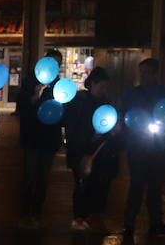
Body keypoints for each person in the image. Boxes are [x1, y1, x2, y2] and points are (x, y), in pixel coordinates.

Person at [121, 58, 165, 238]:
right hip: (138, 146)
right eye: (141, 72)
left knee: (155, 187)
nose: (143, 76)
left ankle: (154, 222)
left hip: (156, 146)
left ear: (155, 73)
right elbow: (124, 115)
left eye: (146, 72)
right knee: (137, 185)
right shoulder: (133, 93)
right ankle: (130, 223)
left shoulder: (164, 94)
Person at [17, 49, 63, 228]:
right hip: (32, 137)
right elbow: (21, 108)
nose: (54, 67)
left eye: (58, 64)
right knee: (30, 175)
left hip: (50, 138)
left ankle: (36, 213)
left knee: (43, 178)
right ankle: (24, 213)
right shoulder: (31, 82)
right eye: (52, 62)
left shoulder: (59, 85)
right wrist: (35, 97)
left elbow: (63, 113)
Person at [63, 67, 110, 230]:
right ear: (92, 84)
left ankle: (90, 215)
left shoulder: (105, 102)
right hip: (82, 151)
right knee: (82, 183)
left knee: (97, 184)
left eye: (106, 87)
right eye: (101, 86)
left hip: (99, 151)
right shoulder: (80, 102)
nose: (103, 90)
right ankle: (79, 217)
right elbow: (73, 127)